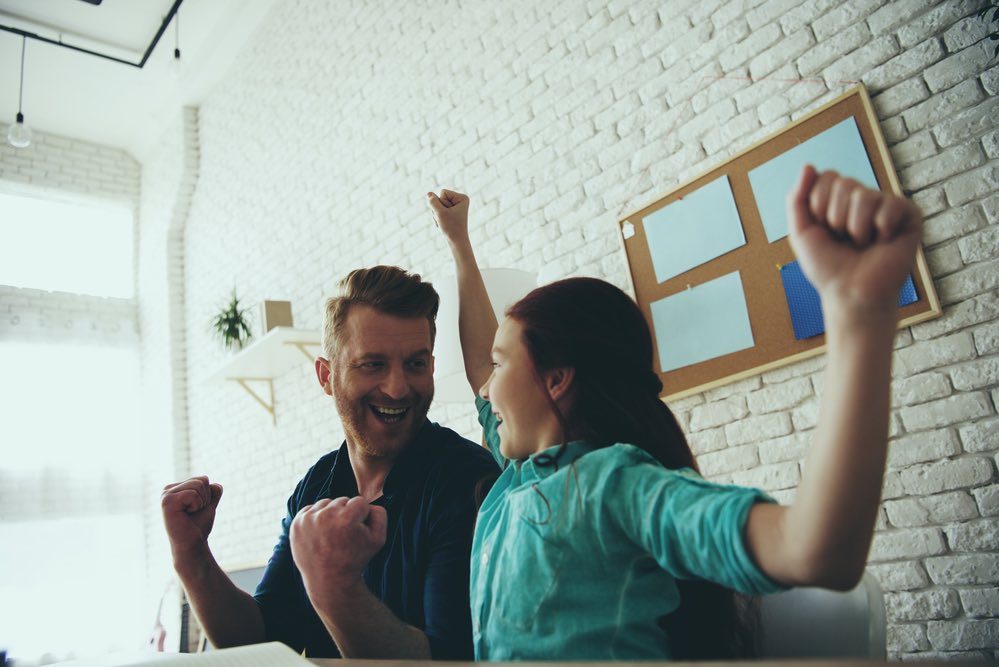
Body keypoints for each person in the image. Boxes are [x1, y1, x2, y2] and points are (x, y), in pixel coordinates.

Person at [427, 165, 922, 660]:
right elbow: (477, 369)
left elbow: (815, 550)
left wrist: (859, 319)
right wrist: (460, 244)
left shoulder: (616, 485)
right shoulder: (516, 476)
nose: (486, 391)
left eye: (500, 365)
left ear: (556, 379)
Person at [161, 266, 498, 659]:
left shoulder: (470, 480)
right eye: (372, 364)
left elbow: (446, 661)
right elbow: (262, 643)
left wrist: (334, 586)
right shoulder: (316, 484)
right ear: (326, 376)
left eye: (415, 364)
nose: (398, 387)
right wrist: (191, 555)